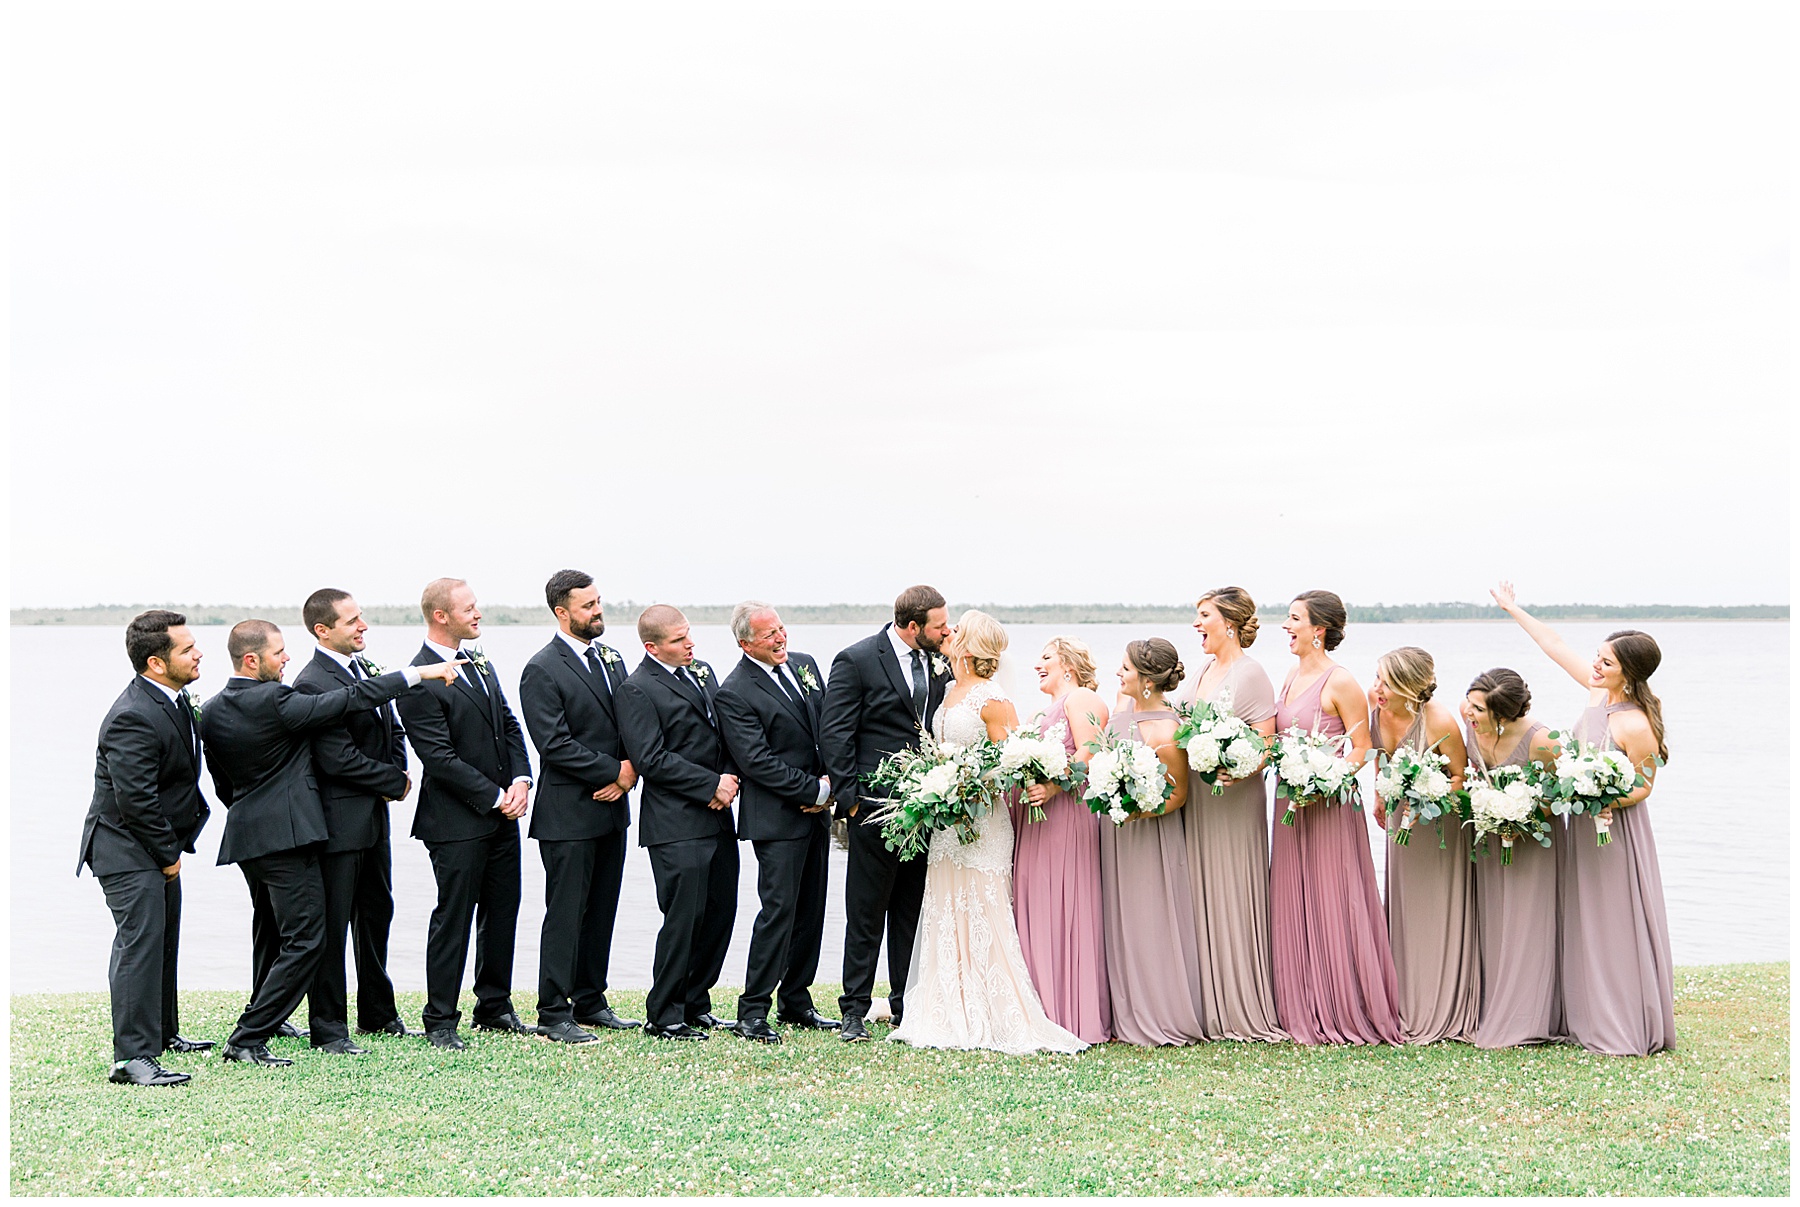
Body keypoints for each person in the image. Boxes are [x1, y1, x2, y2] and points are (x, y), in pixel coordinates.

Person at [203, 620, 451, 1065]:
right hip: (287, 838)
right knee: (308, 939)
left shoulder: (213, 709)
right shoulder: (278, 700)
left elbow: (224, 781)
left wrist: (251, 813)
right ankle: (250, 1036)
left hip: (247, 837)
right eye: (278, 652)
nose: (287, 658)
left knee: (286, 934)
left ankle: (269, 1023)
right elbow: (349, 699)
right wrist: (417, 674)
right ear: (251, 660)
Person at [888, 611, 1085, 1054]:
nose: (948, 632)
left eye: (957, 629)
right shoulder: (948, 691)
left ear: (971, 645)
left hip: (980, 820)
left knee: (982, 907)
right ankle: (945, 1006)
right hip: (947, 821)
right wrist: (936, 787)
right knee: (945, 906)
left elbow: (1007, 763)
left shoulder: (993, 699)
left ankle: (994, 1008)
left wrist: (965, 790)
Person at [1492, 582, 1675, 1056]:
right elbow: (1554, 645)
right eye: (1597, 656)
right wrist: (1513, 609)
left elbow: (1645, 785)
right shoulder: (1596, 693)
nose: (1596, 665)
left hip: (1615, 832)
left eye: (1606, 662)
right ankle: (1584, 1014)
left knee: (1612, 917)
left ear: (1628, 672)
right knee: (1584, 916)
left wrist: (1606, 801)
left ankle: (1621, 1021)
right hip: (1583, 826)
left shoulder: (1635, 722)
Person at [396, 578, 535, 1050]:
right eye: (469, 608)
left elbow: (509, 725)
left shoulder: (480, 662)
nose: (478, 614)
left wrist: (521, 781)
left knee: (503, 909)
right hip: (455, 821)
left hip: (502, 813)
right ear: (441, 615)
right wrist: (496, 796)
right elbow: (438, 758)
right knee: (454, 917)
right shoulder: (418, 678)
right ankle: (439, 1019)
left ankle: (494, 1007)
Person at [77, 610, 214, 1086]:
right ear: (156, 663)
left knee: (164, 940)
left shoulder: (173, 699)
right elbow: (135, 800)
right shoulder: (132, 715)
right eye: (187, 649)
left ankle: (163, 1034)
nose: (199, 653)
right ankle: (132, 1059)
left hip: (154, 844)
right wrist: (168, 856)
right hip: (124, 846)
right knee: (139, 945)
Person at [818, 585, 952, 1043]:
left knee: (911, 910)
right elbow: (835, 732)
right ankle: (853, 1010)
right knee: (866, 912)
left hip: (926, 806)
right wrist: (851, 801)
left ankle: (903, 1004)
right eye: (940, 625)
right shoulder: (856, 660)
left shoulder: (939, 660)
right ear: (913, 626)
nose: (947, 631)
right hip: (873, 807)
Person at [1268, 590, 1401, 1045]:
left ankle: (1344, 1002)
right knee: (1294, 895)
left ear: (1318, 630)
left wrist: (1324, 778)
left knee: (1333, 894)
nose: (1286, 626)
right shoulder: (1290, 675)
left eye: (1294, 619)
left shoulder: (1341, 681)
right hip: (1290, 802)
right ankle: (1299, 1000)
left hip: (1328, 804)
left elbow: (1362, 748)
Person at [518, 571, 641, 1043]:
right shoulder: (542, 668)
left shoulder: (612, 659)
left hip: (612, 809)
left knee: (602, 910)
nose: (597, 610)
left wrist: (631, 771)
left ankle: (590, 1000)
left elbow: (633, 722)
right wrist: (614, 771)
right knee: (566, 914)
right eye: (587, 605)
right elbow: (554, 744)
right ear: (561, 611)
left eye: (598, 601)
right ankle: (553, 1011)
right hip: (567, 813)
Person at [291, 589, 415, 1047]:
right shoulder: (312, 683)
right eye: (351, 621)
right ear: (323, 631)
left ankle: (378, 1015)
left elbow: (394, 728)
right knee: (333, 926)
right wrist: (392, 782)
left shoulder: (364, 670)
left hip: (374, 820)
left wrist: (399, 771)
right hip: (337, 825)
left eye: (361, 617)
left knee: (377, 914)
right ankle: (328, 1028)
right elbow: (336, 758)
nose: (363, 626)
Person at [714, 603, 838, 1043]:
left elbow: (828, 729)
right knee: (778, 911)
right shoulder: (733, 692)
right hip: (777, 819)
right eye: (769, 634)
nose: (781, 638)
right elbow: (757, 761)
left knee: (811, 910)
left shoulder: (805, 665)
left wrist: (833, 784)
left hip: (818, 812)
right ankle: (752, 1010)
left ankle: (797, 1002)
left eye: (781, 629)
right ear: (745, 643)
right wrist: (815, 791)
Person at [616, 605, 739, 1041]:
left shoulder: (701, 671)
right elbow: (651, 758)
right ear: (652, 647)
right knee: (683, 918)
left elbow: (723, 734)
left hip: (719, 815)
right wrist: (710, 784)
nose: (690, 644)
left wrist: (728, 779)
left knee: (720, 912)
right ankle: (664, 1013)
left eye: (689, 634)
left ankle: (696, 1003)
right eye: (678, 640)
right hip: (675, 823)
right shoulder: (636, 688)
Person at [1181, 587, 1285, 1043]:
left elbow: (1267, 742)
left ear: (1229, 623)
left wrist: (1236, 768)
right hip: (1198, 798)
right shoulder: (1203, 669)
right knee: (1198, 889)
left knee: (1231, 889)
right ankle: (1205, 1002)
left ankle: (1240, 1001)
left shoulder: (1251, 673)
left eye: (1204, 615)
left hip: (1233, 798)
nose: (1197, 624)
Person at [1097, 637, 1207, 1046]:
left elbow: (1178, 796)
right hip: (1116, 834)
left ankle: (1161, 1012)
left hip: (1150, 836)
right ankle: (1123, 1011)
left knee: (1150, 919)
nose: (1118, 673)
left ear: (1146, 680)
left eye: (1125, 668)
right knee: (1119, 917)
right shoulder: (1122, 706)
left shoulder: (1168, 729)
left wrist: (1136, 811)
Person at [1368, 646, 1476, 1045]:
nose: (1377, 688)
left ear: (1409, 687)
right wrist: (1380, 794)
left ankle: (1439, 1001)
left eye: (1385, 682)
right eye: (1377, 678)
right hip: (1401, 821)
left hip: (1437, 823)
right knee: (1405, 905)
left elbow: (1461, 777)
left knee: (1436, 907)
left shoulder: (1440, 720)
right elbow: (1381, 757)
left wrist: (1426, 796)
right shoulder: (1377, 708)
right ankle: (1404, 999)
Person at [1011, 636, 1112, 1043]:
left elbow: (1090, 751)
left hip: (1066, 814)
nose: (1038, 665)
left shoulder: (1081, 698)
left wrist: (1054, 786)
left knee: (1063, 903)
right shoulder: (1043, 711)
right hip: (1037, 819)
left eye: (1046, 658)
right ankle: (1040, 1007)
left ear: (1068, 665)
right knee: (1037, 902)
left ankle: (1069, 1011)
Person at [1461, 667, 1566, 1048]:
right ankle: (1491, 1005)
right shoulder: (1471, 725)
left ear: (1502, 716)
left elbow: (1563, 792)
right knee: (1495, 918)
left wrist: (1523, 816)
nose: (1468, 713)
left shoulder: (1542, 741)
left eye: (1478, 709)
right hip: (1491, 839)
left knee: (1527, 922)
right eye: (1469, 703)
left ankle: (1527, 1016)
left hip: (1532, 843)